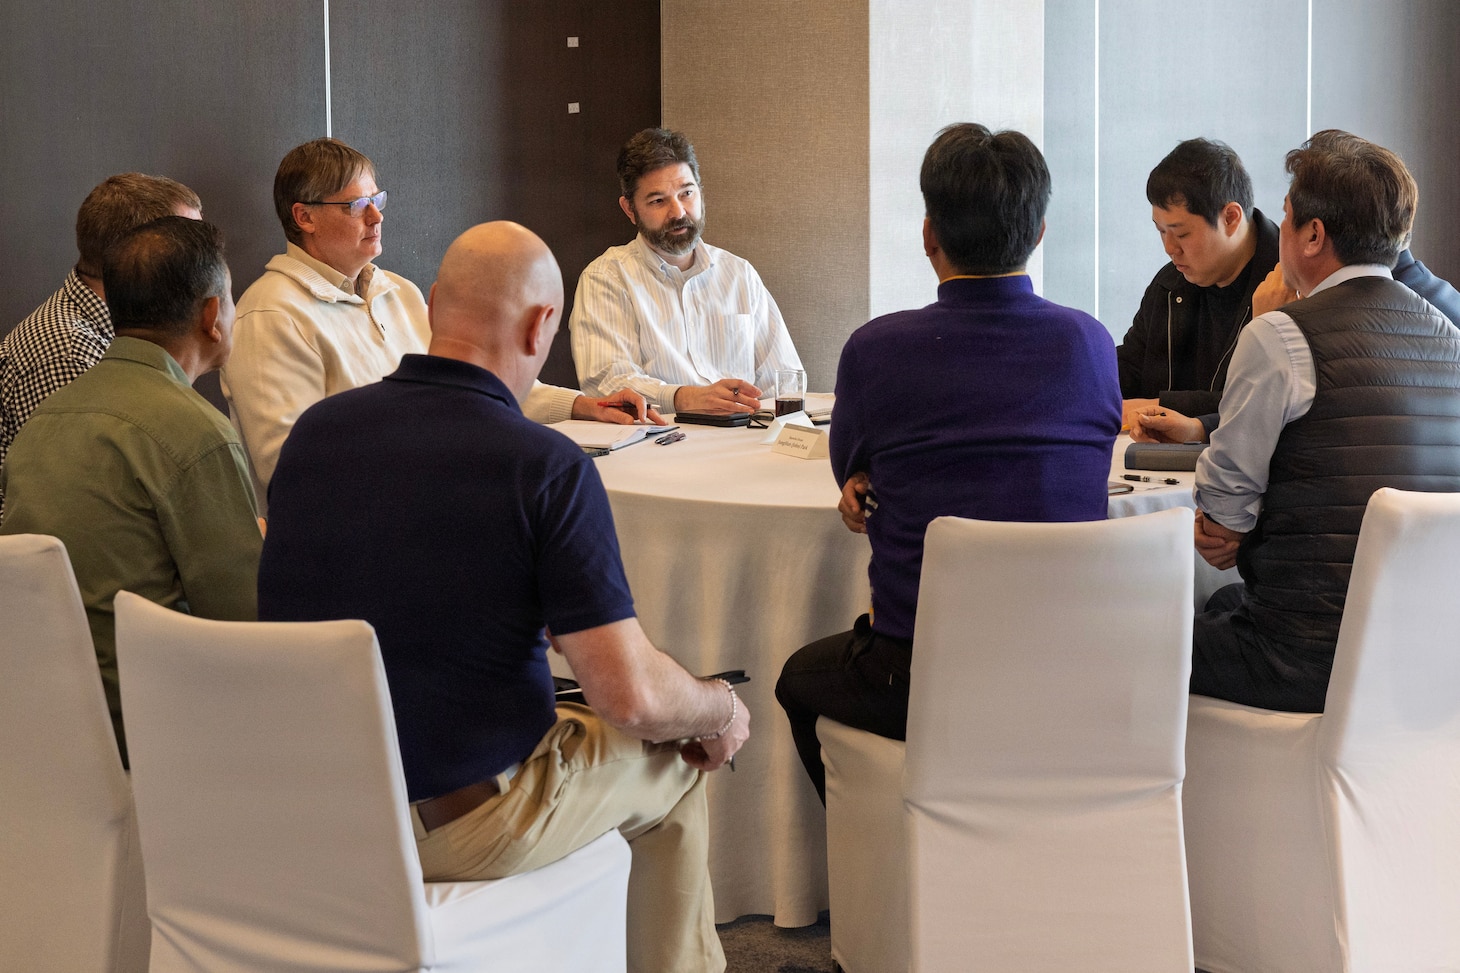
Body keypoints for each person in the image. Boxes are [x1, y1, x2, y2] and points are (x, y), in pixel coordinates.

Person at [258, 221, 749, 973]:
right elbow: (629, 696)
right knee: (677, 756)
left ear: (429, 309)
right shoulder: (543, 464)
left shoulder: (316, 436)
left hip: (320, 806)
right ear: (540, 323)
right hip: (466, 820)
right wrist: (719, 706)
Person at [775, 123, 1122, 802]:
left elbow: (850, 462)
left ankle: (888, 843)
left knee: (797, 678)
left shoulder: (877, 350)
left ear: (929, 234)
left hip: (922, 672)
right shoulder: (1088, 342)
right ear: (1039, 232)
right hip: (1070, 662)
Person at [1136, 131, 1460, 713]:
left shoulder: (1282, 334)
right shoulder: (1451, 338)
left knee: (1125, 638)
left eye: (1284, 217)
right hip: (1428, 658)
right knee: (1221, 606)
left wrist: (1228, 528)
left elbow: (1222, 514)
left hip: (1302, 660)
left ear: (1313, 234)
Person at [222, 138, 659, 502]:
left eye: (377, 200)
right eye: (356, 205)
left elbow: (474, 393)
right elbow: (288, 469)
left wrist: (583, 406)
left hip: (432, 503)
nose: (376, 217)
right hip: (349, 540)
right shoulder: (271, 316)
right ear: (305, 217)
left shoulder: (399, 292)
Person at [0, 217, 261, 764]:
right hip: (157, 732)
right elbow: (246, 625)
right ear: (213, 316)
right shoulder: (194, 432)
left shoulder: (46, 418)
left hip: (43, 729)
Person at [0, 173, 201, 514]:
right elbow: (85, 508)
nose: (205, 263)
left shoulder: (103, 332)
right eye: (191, 247)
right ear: (142, 258)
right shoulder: (69, 351)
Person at [570, 127, 803, 415]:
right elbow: (608, 384)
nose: (678, 212)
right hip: (657, 447)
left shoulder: (739, 274)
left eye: (687, 193)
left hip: (744, 440)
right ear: (629, 210)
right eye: (658, 201)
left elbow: (785, 381)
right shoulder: (606, 278)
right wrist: (683, 397)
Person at [1117, 138, 1280, 430]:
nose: (1169, 248)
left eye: (1181, 234)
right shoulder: (1169, 286)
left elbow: (1268, 404)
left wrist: (1162, 407)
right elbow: (1130, 368)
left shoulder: (1286, 287)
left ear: (1231, 218)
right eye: (1161, 231)